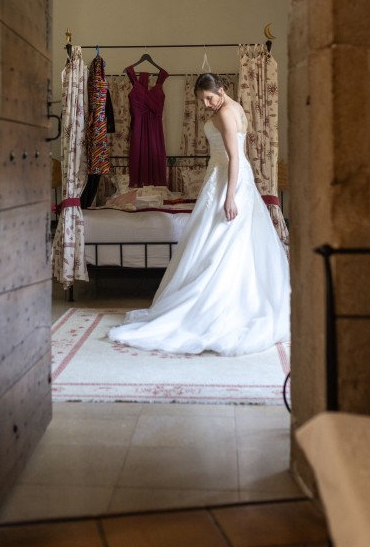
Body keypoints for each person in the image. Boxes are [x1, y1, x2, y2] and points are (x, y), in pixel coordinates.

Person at [108, 72, 290, 356]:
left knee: (222, 242)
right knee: (222, 243)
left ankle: (219, 304)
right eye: (202, 100)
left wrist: (229, 197)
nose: (206, 104)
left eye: (209, 97)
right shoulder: (235, 108)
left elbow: (235, 159)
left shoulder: (226, 113)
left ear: (221, 89)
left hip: (228, 181)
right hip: (227, 178)